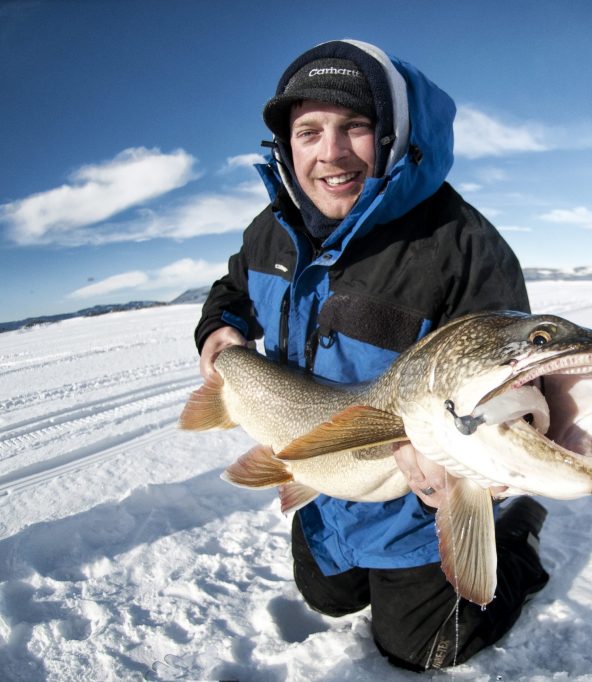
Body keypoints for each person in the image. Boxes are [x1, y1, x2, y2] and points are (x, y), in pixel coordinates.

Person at [195, 39, 549, 671]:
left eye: (355, 126)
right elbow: (234, 291)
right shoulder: (269, 228)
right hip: (321, 480)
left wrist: (461, 464)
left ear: (391, 136)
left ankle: (515, 537)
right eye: (310, 131)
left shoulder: (460, 242)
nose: (331, 152)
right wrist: (218, 331)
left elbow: (505, 375)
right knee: (327, 598)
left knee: (423, 646)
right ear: (287, 146)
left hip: (408, 498)